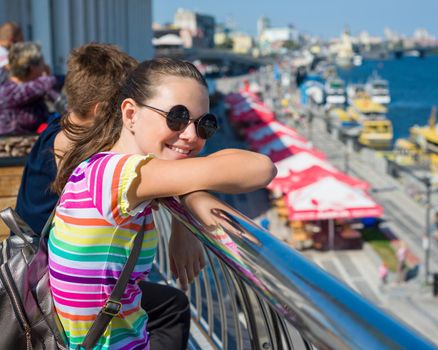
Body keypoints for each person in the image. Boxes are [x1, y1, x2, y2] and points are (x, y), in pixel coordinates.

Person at [48, 57, 276, 349]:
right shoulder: (119, 175)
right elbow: (261, 168)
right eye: (177, 117)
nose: (191, 135)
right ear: (130, 114)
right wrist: (189, 190)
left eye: (204, 124)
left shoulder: (103, 168)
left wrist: (186, 194)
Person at [16, 45, 200, 350]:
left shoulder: (58, 130)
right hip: (47, 285)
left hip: (38, 270)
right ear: (105, 111)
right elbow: (163, 176)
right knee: (173, 305)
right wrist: (186, 219)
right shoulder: (79, 151)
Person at [0, 42, 59, 135]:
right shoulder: (9, 91)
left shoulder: (33, 88)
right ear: (32, 68)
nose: (45, 66)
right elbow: (46, 83)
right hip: (12, 146)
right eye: (42, 63)